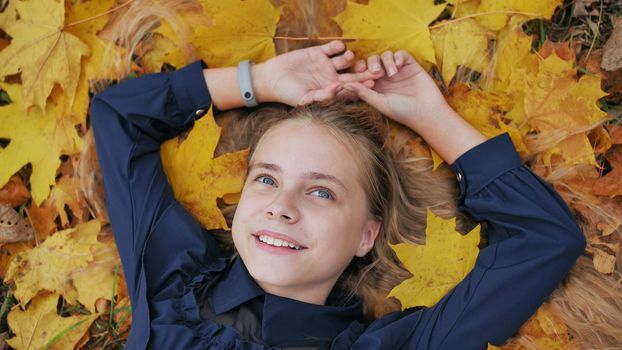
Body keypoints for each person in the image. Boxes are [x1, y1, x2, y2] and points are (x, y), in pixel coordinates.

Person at [90, 40, 586, 349]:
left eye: (322, 193)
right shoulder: (172, 277)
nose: (281, 207)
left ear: (366, 235)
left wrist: (428, 115)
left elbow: (542, 239)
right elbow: (120, 118)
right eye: (266, 178)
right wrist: (256, 81)